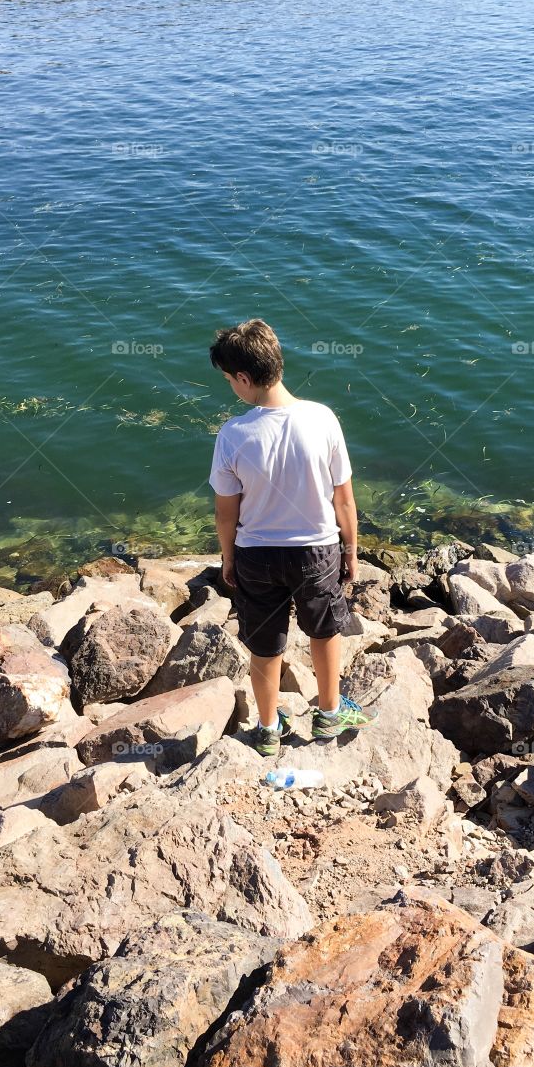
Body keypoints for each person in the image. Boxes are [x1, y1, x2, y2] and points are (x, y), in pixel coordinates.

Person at [208, 318, 378, 758]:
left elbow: (227, 514)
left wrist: (229, 558)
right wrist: (351, 551)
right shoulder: (322, 419)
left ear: (244, 378)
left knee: (265, 645)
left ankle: (266, 729)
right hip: (317, 551)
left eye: (230, 380)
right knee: (324, 633)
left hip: (257, 556)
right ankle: (327, 714)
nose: (232, 387)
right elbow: (344, 500)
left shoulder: (233, 434)